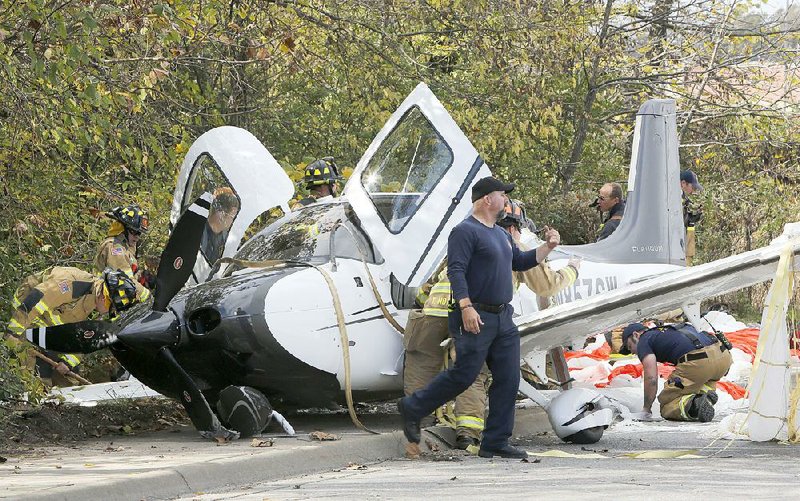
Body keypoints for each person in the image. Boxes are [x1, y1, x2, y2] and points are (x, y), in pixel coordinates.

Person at [398, 176, 561, 459]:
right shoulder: (465, 231)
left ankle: (495, 441)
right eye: (502, 195)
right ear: (487, 199)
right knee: (464, 375)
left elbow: (520, 262)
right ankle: (412, 407)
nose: (506, 200)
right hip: (475, 316)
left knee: (508, 378)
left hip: (503, 318)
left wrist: (548, 247)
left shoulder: (500, 235)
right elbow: (456, 270)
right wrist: (466, 307)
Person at [4, 267, 139, 386]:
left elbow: (82, 338)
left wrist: (67, 362)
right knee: (36, 368)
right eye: (111, 308)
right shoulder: (72, 283)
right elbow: (37, 299)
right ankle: (30, 394)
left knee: (69, 380)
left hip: (53, 322)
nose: (108, 313)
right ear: (105, 297)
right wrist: (14, 333)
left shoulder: (96, 304)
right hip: (28, 312)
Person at [620, 321, 732, 422]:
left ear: (636, 335)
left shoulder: (644, 340)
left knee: (667, 404)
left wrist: (646, 409)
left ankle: (694, 405)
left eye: (630, 347)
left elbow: (651, 379)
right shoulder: (669, 329)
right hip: (723, 357)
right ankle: (704, 395)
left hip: (699, 363)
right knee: (698, 382)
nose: (633, 352)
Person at [95, 203, 152, 300]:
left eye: (139, 233)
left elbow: (129, 272)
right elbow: (124, 279)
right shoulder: (115, 248)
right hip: (104, 300)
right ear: (123, 229)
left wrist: (142, 276)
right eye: (134, 232)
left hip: (117, 297)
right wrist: (148, 297)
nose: (137, 237)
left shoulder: (126, 246)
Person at [201, 187, 241, 265]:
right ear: (221, 213)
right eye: (233, 217)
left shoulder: (226, 238)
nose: (233, 221)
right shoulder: (199, 230)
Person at [680, 170, 704, 266]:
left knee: (688, 259)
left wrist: (693, 218)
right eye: (692, 187)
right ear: (683, 183)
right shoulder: (671, 197)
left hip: (687, 236)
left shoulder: (685, 199)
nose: (693, 190)